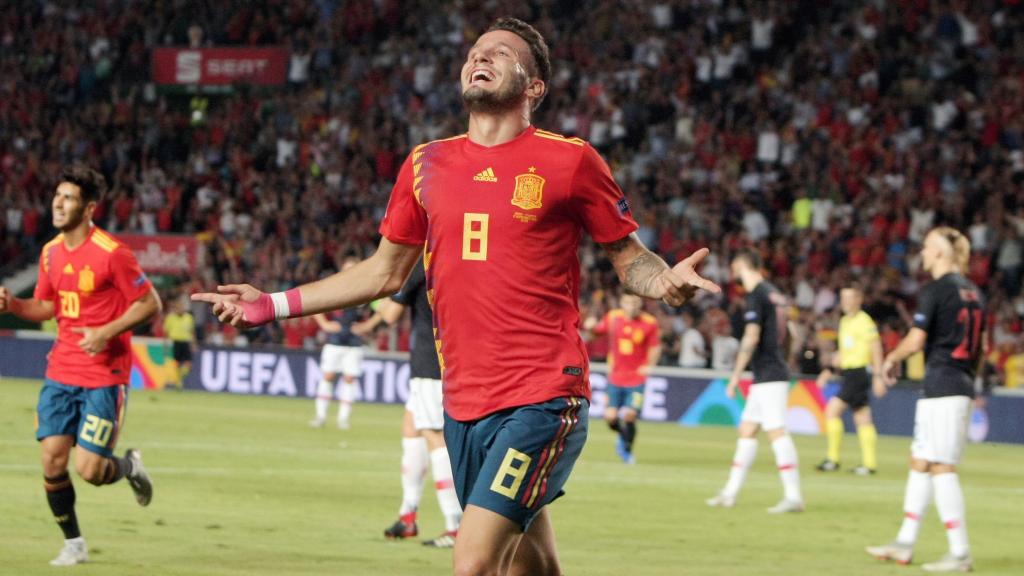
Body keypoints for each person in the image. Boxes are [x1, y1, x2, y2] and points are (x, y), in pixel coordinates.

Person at [192, 17, 718, 576]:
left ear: (534, 87)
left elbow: (628, 255)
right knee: (529, 567)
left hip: (542, 393)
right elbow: (382, 273)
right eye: (474, 52)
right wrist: (272, 303)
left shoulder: (570, 161)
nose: (480, 58)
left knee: (472, 564)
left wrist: (661, 282)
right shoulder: (425, 164)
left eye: (500, 53)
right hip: (463, 401)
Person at [0, 166, 160, 566]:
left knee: (90, 469)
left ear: (88, 208)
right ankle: (74, 543)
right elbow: (48, 306)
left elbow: (149, 303)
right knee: (53, 459)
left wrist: (106, 331)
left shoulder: (113, 253)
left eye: (68, 197)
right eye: (57, 195)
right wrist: (13, 306)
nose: (58, 202)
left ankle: (128, 466)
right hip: (61, 370)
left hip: (104, 375)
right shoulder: (50, 252)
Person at [866, 227, 984, 572]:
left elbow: (916, 341)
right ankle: (905, 542)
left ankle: (960, 552)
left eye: (929, 247)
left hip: (944, 386)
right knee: (920, 460)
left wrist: (890, 359)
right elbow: (982, 347)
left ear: (942, 254)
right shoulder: (975, 293)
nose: (923, 252)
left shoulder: (936, 290)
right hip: (951, 384)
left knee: (941, 466)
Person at [363, 260, 463, 547]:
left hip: (430, 361)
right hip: (449, 354)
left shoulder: (421, 262)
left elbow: (391, 314)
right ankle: (408, 515)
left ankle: (454, 525)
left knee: (433, 435)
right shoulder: (452, 259)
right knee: (412, 428)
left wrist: (374, 302)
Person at [707, 249, 804, 513]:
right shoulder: (775, 294)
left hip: (769, 374)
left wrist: (736, 375)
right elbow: (794, 333)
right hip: (770, 371)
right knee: (748, 430)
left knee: (776, 431)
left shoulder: (756, 295)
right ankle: (730, 492)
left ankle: (794, 496)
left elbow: (751, 336)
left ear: (740, 264)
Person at [815, 286, 886, 475]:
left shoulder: (864, 322)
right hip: (849, 372)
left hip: (859, 373)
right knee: (862, 417)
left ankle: (833, 459)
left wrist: (879, 376)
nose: (845, 302)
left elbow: (876, 348)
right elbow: (843, 352)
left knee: (832, 411)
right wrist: (828, 371)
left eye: (849, 298)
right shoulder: (845, 321)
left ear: (859, 299)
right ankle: (869, 464)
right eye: (843, 298)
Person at [584, 293, 660, 464]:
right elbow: (596, 333)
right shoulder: (613, 317)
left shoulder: (649, 322)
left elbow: (655, 347)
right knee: (610, 416)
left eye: (635, 302)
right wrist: (590, 327)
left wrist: (650, 365)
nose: (631, 306)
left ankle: (626, 449)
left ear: (640, 303)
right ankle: (623, 434)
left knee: (630, 415)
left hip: (637, 378)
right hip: (615, 377)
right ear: (622, 302)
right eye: (628, 302)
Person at [309, 257, 373, 429]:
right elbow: (313, 301)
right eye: (347, 268)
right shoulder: (334, 286)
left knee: (349, 379)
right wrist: (324, 324)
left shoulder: (367, 289)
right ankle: (320, 416)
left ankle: (343, 419)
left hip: (354, 343)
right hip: (335, 341)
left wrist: (366, 326)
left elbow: (380, 309)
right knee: (328, 376)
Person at [163, 294, 197, 390]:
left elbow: (192, 331)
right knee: (176, 364)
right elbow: (166, 332)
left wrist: (193, 343)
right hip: (175, 342)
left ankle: (179, 379)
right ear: (176, 308)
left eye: (182, 306)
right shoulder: (170, 317)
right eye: (179, 306)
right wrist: (165, 344)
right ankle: (179, 383)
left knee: (188, 364)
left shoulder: (189, 317)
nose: (181, 308)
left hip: (186, 342)